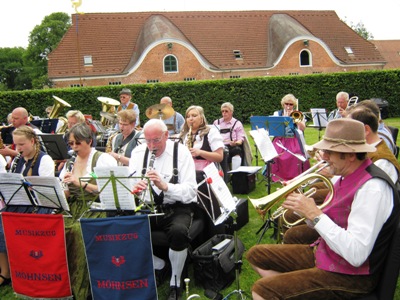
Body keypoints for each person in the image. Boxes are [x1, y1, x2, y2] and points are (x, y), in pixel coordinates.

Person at [247, 118, 400, 299]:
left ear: (351, 154)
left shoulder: (372, 188)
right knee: (255, 255)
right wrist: (302, 208)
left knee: (262, 290)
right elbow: (325, 223)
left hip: (351, 276)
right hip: (326, 253)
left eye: (330, 151)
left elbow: (357, 254)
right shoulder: (344, 176)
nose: (323, 156)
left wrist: (315, 213)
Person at [129, 119, 197, 300]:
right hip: (148, 206)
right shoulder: (137, 153)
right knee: (124, 227)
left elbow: (191, 192)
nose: (151, 146)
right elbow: (128, 183)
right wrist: (136, 188)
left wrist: (165, 186)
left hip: (176, 207)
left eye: (156, 140)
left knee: (178, 231)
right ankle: (159, 265)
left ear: (167, 135)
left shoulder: (180, 152)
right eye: (147, 141)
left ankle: (175, 281)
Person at [0, 126, 55, 287]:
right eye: (16, 145)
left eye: (22, 144)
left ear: (32, 141)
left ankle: (29, 269)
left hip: (38, 205)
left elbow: (45, 191)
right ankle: (6, 271)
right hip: (20, 203)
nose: (18, 149)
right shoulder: (18, 160)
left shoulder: (44, 160)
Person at [59, 123, 117, 218]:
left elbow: (109, 191)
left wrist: (79, 183)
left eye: (78, 143)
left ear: (89, 142)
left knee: (77, 230)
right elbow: (66, 194)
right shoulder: (69, 164)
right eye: (71, 143)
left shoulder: (103, 159)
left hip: (96, 210)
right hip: (72, 210)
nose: (74, 147)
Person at [179, 105, 224, 219]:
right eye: (188, 116)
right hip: (188, 173)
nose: (191, 119)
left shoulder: (211, 132)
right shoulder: (184, 135)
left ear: (202, 118)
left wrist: (200, 152)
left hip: (207, 173)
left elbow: (219, 157)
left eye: (194, 115)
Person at [271, 94, 310, 182]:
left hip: (294, 139)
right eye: (286, 104)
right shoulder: (277, 113)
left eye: (291, 104)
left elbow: (303, 128)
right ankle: (277, 174)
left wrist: (295, 119)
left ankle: (295, 174)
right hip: (281, 139)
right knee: (275, 152)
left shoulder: (297, 113)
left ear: (294, 105)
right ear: (283, 104)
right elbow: (273, 127)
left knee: (296, 152)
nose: (288, 106)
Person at [213, 102, 246, 170]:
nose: (224, 113)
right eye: (222, 111)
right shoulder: (216, 122)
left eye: (226, 111)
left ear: (231, 112)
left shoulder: (237, 123)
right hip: (219, 146)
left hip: (232, 146)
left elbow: (240, 139)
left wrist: (235, 143)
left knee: (237, 150)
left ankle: (236, 173)